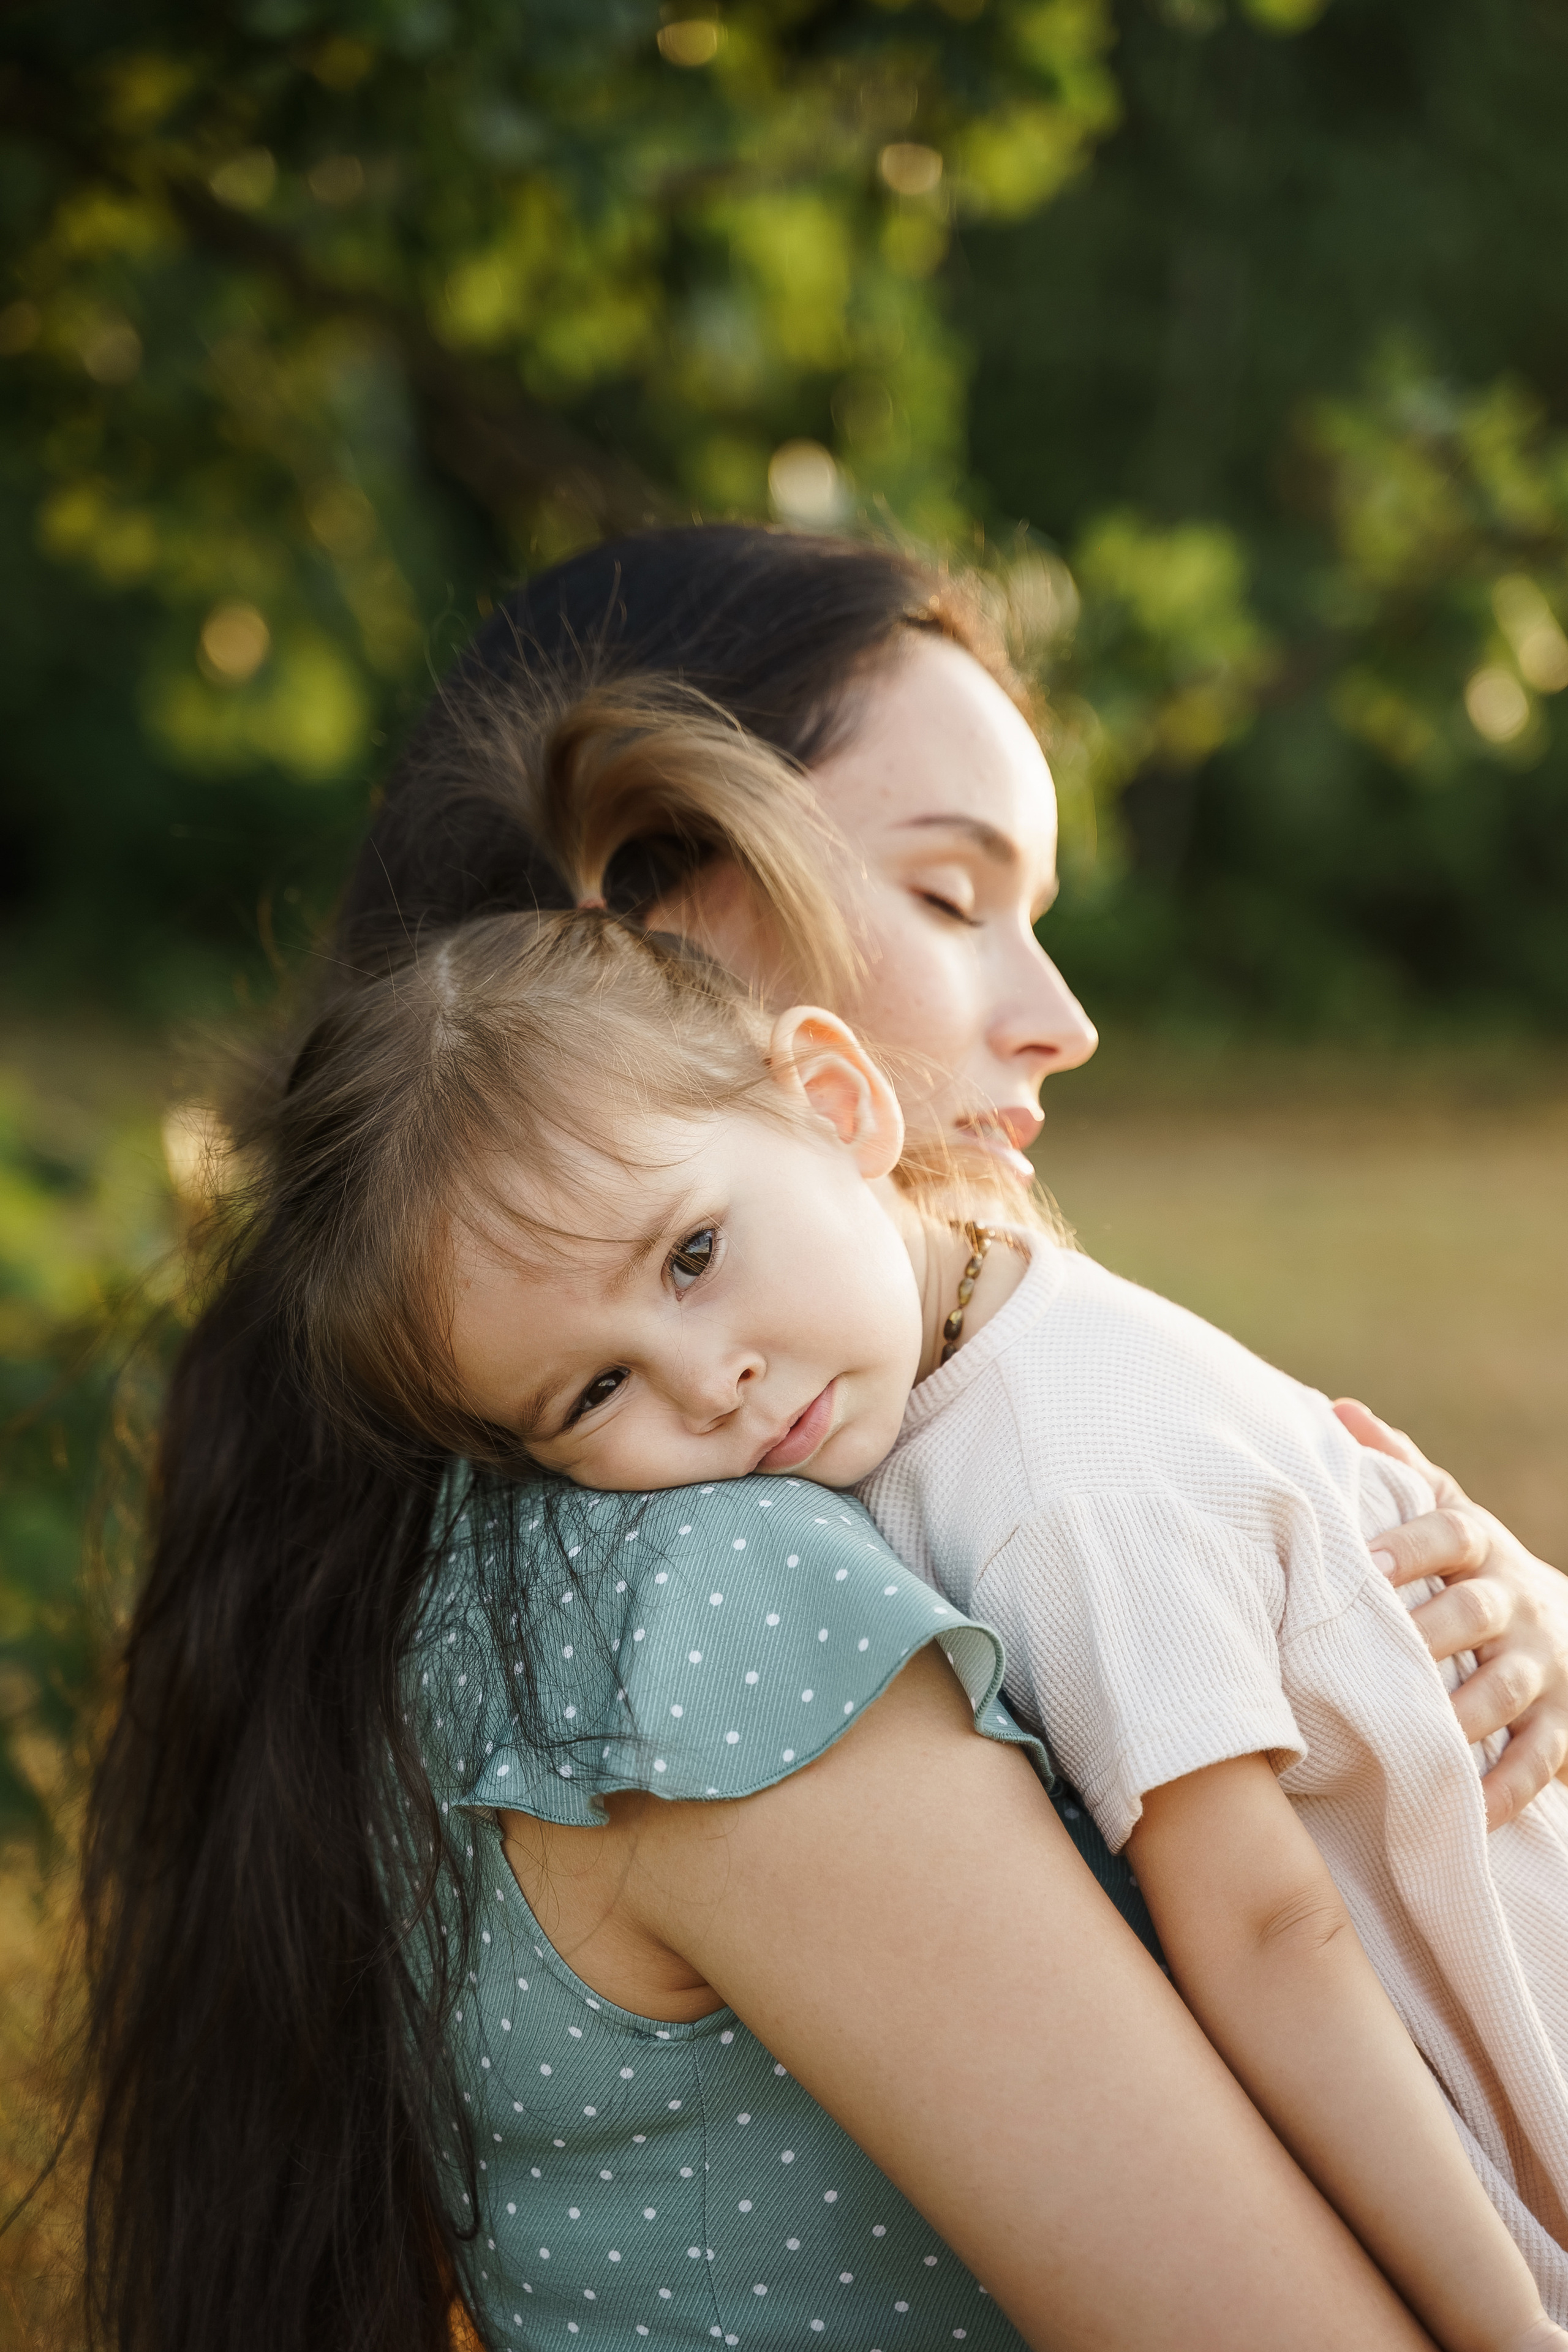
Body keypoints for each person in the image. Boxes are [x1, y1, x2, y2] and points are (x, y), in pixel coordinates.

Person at [77, 535, 1566, 2352]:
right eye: (953, 897)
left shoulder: (752, 1480)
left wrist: (1455, 1622)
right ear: (656, 921)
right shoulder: (712, 1597)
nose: (1068, 1018)